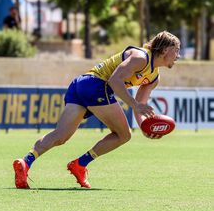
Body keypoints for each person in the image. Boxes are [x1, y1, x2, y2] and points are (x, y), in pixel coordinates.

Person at [13, 31, 180, 189]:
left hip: (81, 84)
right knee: (124, 135)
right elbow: (115, 80)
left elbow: (140, 105)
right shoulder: (141, 57)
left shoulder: (154, 78)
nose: (178, 56)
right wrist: (135, 105)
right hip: (96, 85)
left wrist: (145, 127)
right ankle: (80, 164)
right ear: (165, 49)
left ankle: (25, 162)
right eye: (176, 50)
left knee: (60, 136)